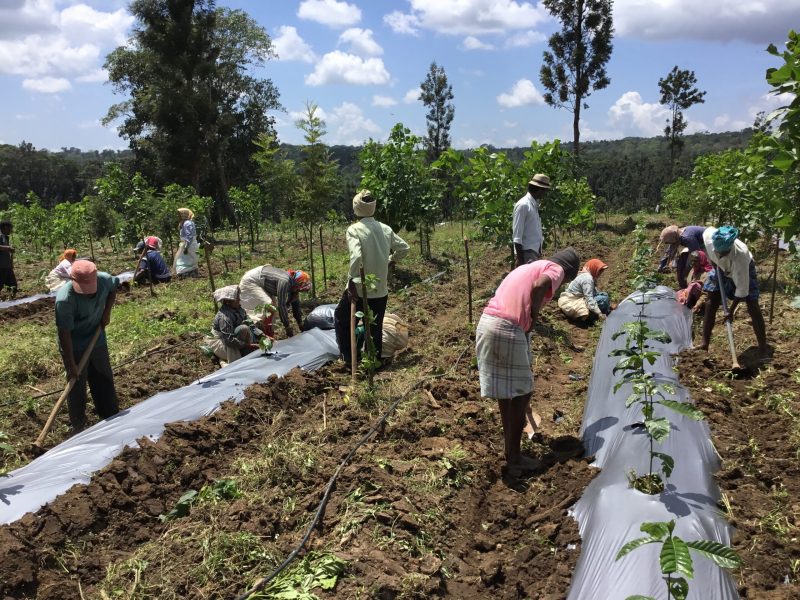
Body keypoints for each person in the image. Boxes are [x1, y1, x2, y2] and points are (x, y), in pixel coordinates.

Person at [476, 248, 580, 477]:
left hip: (488, 323)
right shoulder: (556, 269)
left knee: (507, 394)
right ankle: (514, 457)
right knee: (523, 392)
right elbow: (539, 286)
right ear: (569, 271)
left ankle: (511, 451)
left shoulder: (529, 266)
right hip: (506, 326)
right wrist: (533, 316)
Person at [334, 190, 410, 367]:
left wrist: (352, 283)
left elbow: (356, 257)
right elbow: (404, 248)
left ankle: (348, 358)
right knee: (374, 327)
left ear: (356, 207)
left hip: (360, 289)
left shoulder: (354, 230)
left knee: (342, 318)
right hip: (380, 290)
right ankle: (373, 362)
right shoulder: (385, 229)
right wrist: (391, 260)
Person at [55, 260, 119, 432]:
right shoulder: (65, 300)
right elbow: (64, 334)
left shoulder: (105, 280)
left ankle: (109, 413)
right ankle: (78, 423)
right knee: (76, 384)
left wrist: (107, 312)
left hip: (97, 338)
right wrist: (71, 364)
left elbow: (113, 290)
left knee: (103, 376)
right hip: (73, 344)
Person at [699, 226, 769, 357]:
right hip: (720, 268)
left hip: (742, 270)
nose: (719, 254)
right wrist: (716, 264)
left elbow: (742, 289)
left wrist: (730, 311)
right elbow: (709, 251)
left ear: (729, 248)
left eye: (723, 253)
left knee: (752, 304)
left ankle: (763, 348)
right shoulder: (710, 236)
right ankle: (704, 343)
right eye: (717, 251)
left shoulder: (740, 258)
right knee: (711, 300)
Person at [238, 266, 311, 337]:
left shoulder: (292, 284)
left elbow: (296, 304)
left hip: (261, 282)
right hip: (252, 280)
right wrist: (287, 326)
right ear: (298, 283)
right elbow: (282, 305)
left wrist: (300, 323)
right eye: (300, 289)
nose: (299, 291)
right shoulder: (285, 281)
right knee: (269, 306)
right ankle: (258, 333)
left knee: (272, 308)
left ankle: (268, 333)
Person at [206, 285, 260, 364]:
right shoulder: (224, 317)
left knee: (248, 328)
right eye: (237, 298)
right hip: (223, 341)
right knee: (243, 329)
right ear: (229, 301)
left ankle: (245, 351)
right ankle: (230, 359)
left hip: (234, 336)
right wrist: (248, 345)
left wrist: (263, 336)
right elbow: (229, 340)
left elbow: (250, 324)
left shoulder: (239, 310)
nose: (239, 300)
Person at [513, 173, 550, 266]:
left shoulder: (533, 205)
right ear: (539, 190)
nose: (545, 194)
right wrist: (520, 261)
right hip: (526, 253)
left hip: (533, 253)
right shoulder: (523, 205)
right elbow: (517, 236)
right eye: (544, 191)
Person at [557, 258, 612, 322]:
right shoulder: (587, 278)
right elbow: (589, 298)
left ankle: (602, 312)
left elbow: (594, 293)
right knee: (603, 299)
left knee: (603, 295)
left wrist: (609, 306)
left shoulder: (587, 276)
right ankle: (591, 318)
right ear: (594, 268)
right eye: (599, 271)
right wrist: (599, 313)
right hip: (573, 301)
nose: (600, 273)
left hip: (576, 298)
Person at [174, 208, 199, 277]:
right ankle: (187, 274)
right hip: (186, 244)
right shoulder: (183, 223)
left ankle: (189, 274)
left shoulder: (188, 223)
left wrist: (186, 247)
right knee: (185, 259)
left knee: (188, 259)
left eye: (179, 214)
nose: (178, 216)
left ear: (184, 214)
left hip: (189, 245)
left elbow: (189, 236)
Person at [0, 220, 17, 295]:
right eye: (10, 228)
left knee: (13, 285)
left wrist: (11, 264)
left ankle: (11, 302)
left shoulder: (6, 237)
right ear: (5, 227)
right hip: (1, 266)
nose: (11, 230)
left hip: (6, 266)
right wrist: (8, 248)